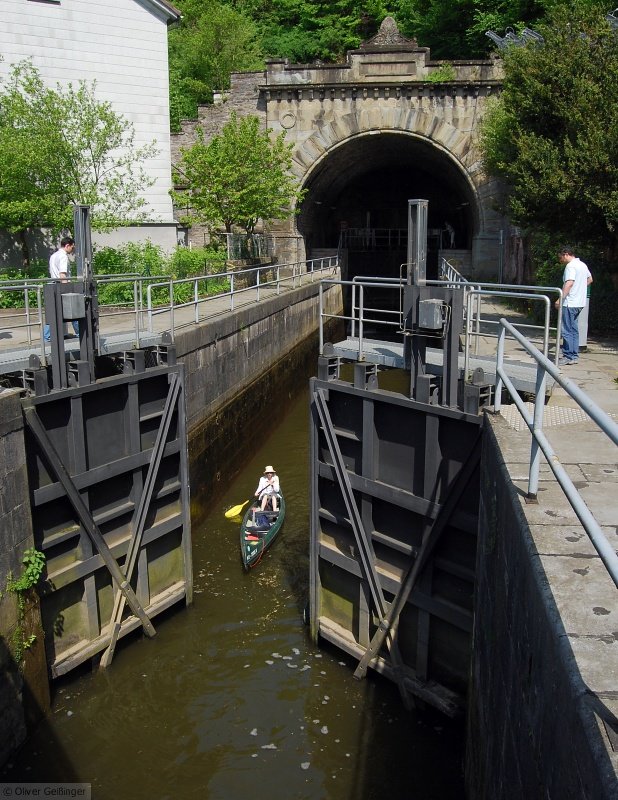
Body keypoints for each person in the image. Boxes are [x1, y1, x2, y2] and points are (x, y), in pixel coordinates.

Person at [554, 247, 592, 366]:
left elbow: (569, 283)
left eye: (561, 258)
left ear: (566, 254)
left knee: (567, 330)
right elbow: (590, 279)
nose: (561, 261)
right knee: (574, 330)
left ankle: (568, 356)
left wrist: (560, 298)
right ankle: (574, 355)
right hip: (580, 303)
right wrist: (580, 288)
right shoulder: (582, 265)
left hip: (570, 302)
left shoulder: (570, 266)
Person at [43, 236, 79, 341]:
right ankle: (80, 333)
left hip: (53, 285)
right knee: (74, 310)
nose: (72, 250)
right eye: (72, 247)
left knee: (53, 312)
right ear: (67, 245)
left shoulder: (54, 255)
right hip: (61, 286)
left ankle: (47, 336)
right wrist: (67, 289)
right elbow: (62, 274)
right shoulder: (63, 257)